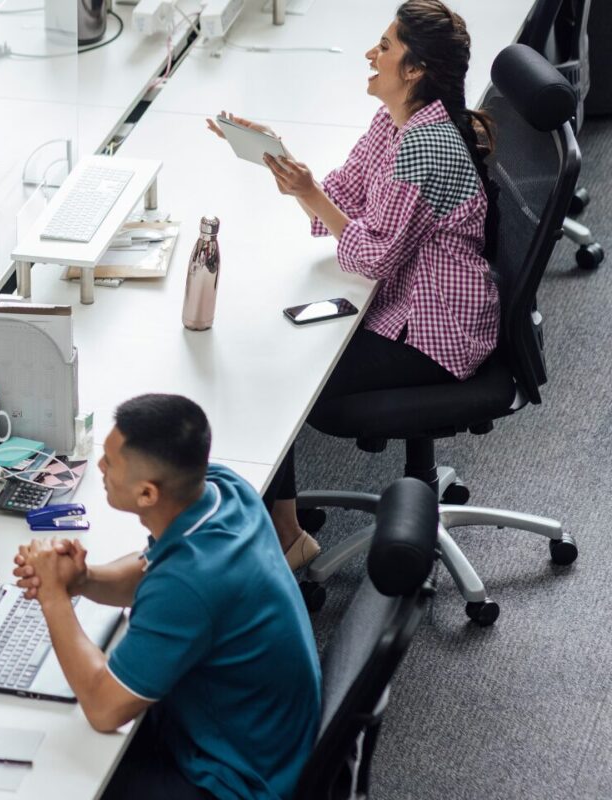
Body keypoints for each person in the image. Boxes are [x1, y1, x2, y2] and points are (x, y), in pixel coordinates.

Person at [208, 0, 497, 569]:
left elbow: (375, 255)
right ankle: (281, 524)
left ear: (413, 70)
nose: (372, 53)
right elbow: (344, 196)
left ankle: (286, 535)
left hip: (438, 334)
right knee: (277, 354)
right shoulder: (392, 123)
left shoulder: (425, 144)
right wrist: (282, 160)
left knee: (279, 378)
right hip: (405, 303)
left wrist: (310, 194)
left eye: (385, 46)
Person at [14, 395, 320, 800]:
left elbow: (104, 708)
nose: (100, 469)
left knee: (54, 774)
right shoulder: (225, 491)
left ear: (146, 495)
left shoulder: (189, 585)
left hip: (236, 779)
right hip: (271, 738)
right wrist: (83, 580)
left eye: (110, 463)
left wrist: (53, 597)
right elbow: (150, 569)